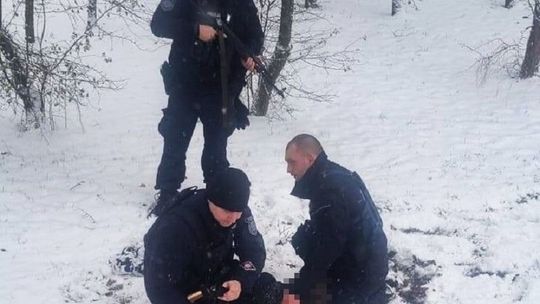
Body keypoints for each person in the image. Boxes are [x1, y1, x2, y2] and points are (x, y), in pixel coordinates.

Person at [150, 0, 264, 211]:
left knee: (217, 145)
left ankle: (217, 191)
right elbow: (158, 24)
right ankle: (167, 192)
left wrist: (249, 54)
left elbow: (254, 35)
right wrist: (195, 30)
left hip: (220, 86)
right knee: (175, 138)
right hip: (185, 83)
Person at [144, 168, 282, 304]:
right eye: (227, 211)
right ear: (211, 201)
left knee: (266, 289)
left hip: (219, 278)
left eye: (238, 211)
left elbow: (254, 251)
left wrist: (240, 281)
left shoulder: (236, 208)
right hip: (188, 291)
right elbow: (158, 288)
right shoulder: (175, 226)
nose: (233, 218)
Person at [283, 134, 389, 304]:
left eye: (291, 162)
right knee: (304, 238)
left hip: (362, 274)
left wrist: (299, 291)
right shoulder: (334, 174)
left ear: (309, 159)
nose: (288, 169)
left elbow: (327, 249)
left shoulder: (329, 191)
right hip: (368, 259)